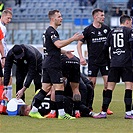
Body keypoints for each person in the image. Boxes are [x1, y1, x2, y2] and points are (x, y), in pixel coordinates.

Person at [28, 10, 84, 119]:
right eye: (59, 16)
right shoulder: (51, 31)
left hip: (47, 62)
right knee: (59, 87)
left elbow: (52, 48)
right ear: (53, 19)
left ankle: (34, 110)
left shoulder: (48, 31)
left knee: (45, 88)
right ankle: (62, 114)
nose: (61, 18)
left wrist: (64, 52)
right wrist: (73, 39)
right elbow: (57, 44)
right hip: (53, 63)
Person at [93, 14, 133, 119]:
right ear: (127, 22)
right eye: (131, 23)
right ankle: (128, 113)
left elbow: (105, 48)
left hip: (114, 64)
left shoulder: (112, 32)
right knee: (128, 87)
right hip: (127, 63)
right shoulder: (129, 31)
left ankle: (104, 112)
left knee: (109, 88)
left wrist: (109, 61)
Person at [77, 8, 113, 114]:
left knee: (108, 84)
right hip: (93, 61)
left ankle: (105, 108)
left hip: (105, 61)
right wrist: (81, 57)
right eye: (101, 15)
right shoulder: (88, 30)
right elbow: (79, 44)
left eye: (103, 15)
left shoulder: (107, 29)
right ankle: (89, 107)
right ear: (95, 17)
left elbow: (113, 42)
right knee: (91, 85)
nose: (103, 17)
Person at [19, 73, 94, 117]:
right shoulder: (36, 99)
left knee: (77, 105)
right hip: (61, 99)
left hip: (65, 109)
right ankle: (89, 110)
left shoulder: (36, 111)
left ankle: (89, 112)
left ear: (27, 110)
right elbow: (49, 92)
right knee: (84, 90)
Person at [0, 9, 12, 100]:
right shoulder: (1, 27)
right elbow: (1, 44)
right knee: (7, 77)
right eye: (8, 18)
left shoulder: (3, 27)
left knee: (6, 77)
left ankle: (5, 98)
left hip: (4, 55)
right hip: (2, 55)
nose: (9, 21)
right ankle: (6, 98)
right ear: (3, 16)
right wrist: (3, 57)